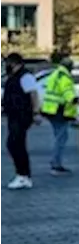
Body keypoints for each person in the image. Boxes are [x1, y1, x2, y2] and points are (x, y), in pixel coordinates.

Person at [3, 52, 42, 190]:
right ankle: (23, 174)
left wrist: (36, 113)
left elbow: (33, 94)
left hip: (21, 115)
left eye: (7, 62)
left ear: (14, 63)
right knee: (15, 144)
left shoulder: (25, 76)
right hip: (14, 115)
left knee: (15, 144)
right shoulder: (13, 77)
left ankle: (23, 175)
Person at [40, 52, 78, 175]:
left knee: (59, 136)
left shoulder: (55, 74)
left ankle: (56, 163)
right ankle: (56, 164)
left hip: (51, 110)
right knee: (61, 138)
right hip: (59, 111)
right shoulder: (64, 77)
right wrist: (76, 99)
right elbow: (67, 93)